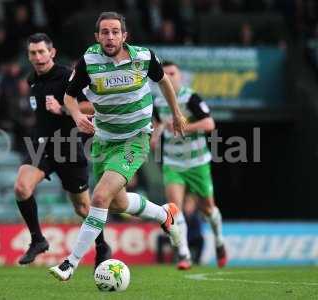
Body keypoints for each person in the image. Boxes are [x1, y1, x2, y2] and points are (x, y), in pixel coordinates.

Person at [49, 11, 188, 281]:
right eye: (105, 32)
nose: (110, 37)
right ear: (97, 37)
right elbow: (68, 97)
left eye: (115, 32)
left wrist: (177, 113)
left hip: (134, 139)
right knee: (117, 202)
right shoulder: (89, 61)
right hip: (104, 139)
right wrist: (77, 116)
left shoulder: (143, 57)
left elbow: (164, 82)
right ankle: (164, 214)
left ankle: (70, 262)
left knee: (99, 198)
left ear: (125, 36)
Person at [14, 33, 111, 267]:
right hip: (41, 146)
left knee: (83, 207)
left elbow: (93, 105)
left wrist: (63, 109)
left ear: (52, 52)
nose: (37, 57)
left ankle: (101, 245)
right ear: (29, 56)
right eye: (33, 53)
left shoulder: (69, 76)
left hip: (67, 147)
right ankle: (38, 240)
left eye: (41, 52)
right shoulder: (32, 80)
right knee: (21, 188)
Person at [150, 61, 227, 269]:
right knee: (175, 209)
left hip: (197, 162)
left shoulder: (190, 97)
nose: (169, 77)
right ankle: (183, 254)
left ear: (180, 76)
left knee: (209, 210)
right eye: (164, 74)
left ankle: (219, 241)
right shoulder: (157, 101)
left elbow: (210, 124)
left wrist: (185, 126)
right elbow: (158, 124)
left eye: (172, 73)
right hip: (173, 162)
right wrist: (155, 136)